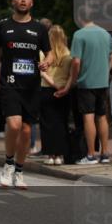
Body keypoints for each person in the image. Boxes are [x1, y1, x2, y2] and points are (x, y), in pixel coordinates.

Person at [0, 0, 53, 189]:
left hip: (32, 86)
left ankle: (19, 170)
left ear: (31, 2)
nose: (23, 0)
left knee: (26, 131)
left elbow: (49, 53)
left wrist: (47, 62)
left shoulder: (39, 28)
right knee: (14, 125)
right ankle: (8, 164)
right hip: (10, 82)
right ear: (13, 2)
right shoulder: (3, 26)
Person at [60, 10, 112, 164]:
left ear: (79, 18)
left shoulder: (79, 35)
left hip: (86, 83)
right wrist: (106, 70)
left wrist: (75, 78)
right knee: (102, 116)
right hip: (103, 82)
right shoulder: (106, 34)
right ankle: (105, 154)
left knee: (88, 117)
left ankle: (90, 155)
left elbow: (76, 61)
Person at [40, 25, 73, 165]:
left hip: (47, 89)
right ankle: (60, 155)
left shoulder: (44, 53)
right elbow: (71, 73)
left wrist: (54, 85)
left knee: (47, 123)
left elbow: (42, 72)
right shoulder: (68, 53)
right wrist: (63, 87)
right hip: (64, 90)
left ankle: (50, 155)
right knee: (61, 122)